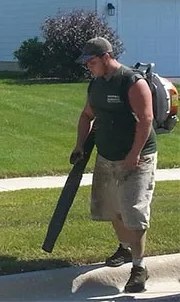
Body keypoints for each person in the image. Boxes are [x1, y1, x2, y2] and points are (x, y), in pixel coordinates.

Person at [71, 37, 157, 293]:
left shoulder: (131, 81)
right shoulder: (96, 83)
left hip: (137, 158)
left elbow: (146, 119)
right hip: (106, 157)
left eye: (91, 61)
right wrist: (80, 145)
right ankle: (126, 248)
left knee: (133, 211)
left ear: (106, 57)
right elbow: (87, 115)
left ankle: (140, 268)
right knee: (111, 208)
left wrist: (134, 154)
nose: (88, 66)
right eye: (86, 63)